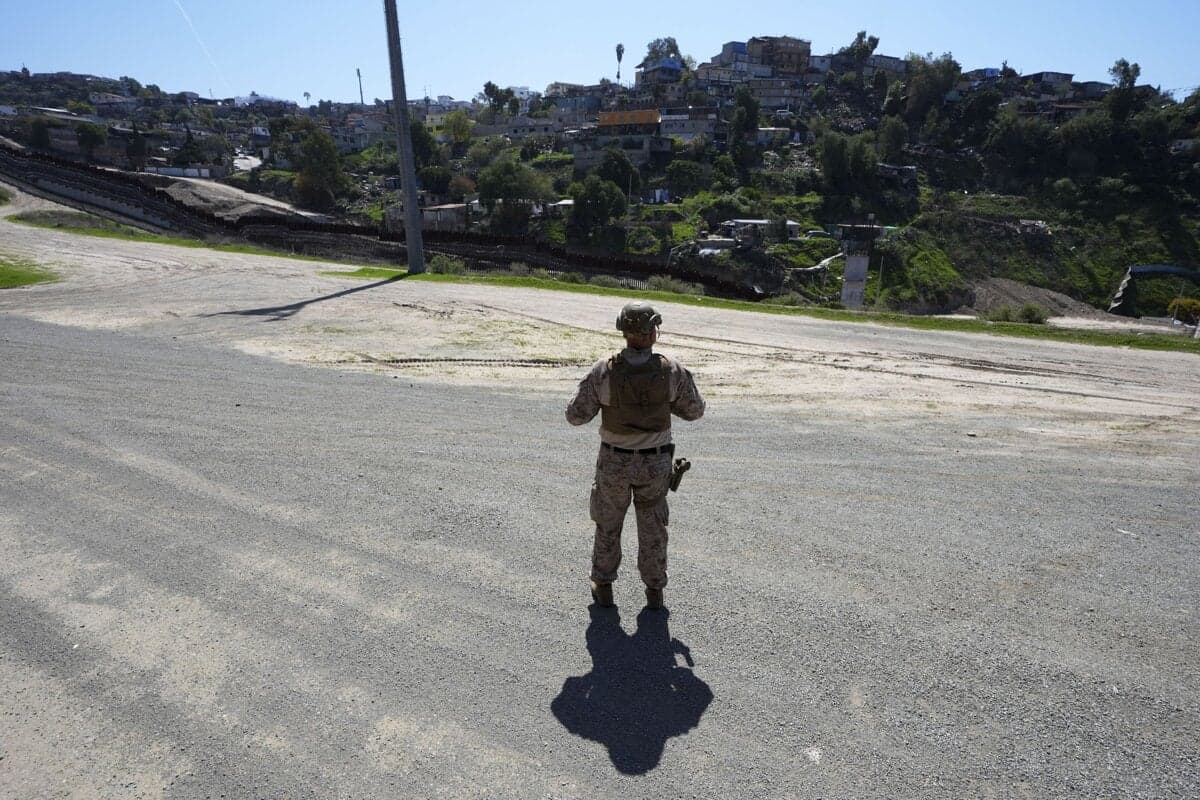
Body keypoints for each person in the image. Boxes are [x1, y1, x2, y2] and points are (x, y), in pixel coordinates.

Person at [565, 301, 705, 610]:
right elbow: (695, 411)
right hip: (654, 462)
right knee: (653, 525)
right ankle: (654, 590)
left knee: (608, 522)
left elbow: (575, 415)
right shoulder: (672, 370)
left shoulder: (603, 370)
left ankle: (603, 584)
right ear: (653, 331)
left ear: (624, 330)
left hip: (614, 460)